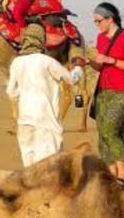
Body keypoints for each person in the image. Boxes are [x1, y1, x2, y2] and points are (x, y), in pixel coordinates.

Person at [72, 2, 124, 188]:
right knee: (103, 133)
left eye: (99, 20)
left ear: (110, 18)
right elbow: (100, 66)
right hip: (103, 90)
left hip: (122, 90)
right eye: (95, 22)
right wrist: (89, 62)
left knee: (110, 129)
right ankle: (111, 173)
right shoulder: (101, 39)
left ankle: (123, 173)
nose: (97, 24)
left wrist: (111, 59)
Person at [6, 25, 83, 168]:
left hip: (25, 120)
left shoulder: (17, 63)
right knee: (50, 165)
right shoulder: (46, 61)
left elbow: (11, 92)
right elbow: (71, 79)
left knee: (29, 165)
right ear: (42, 40)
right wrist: (79, 68)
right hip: (46, 120)